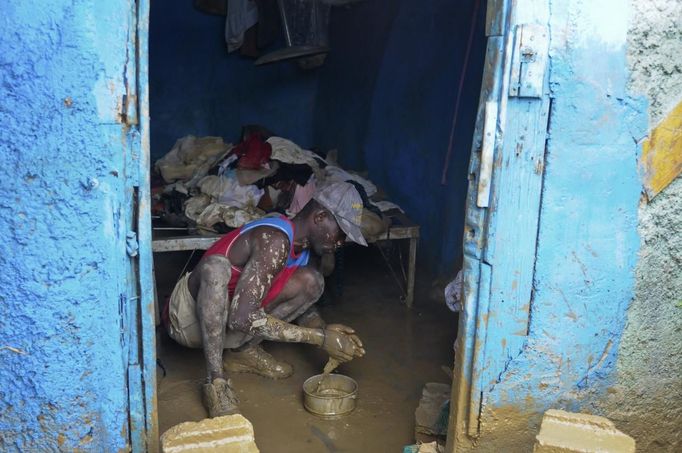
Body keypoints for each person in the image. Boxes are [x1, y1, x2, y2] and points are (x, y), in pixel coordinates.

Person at [163, 182, 368, 417]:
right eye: (340, 232)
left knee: (313, 281)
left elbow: (303, 309)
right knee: (216, 268)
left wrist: (325, 330)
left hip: (229, 324)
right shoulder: (274, 238)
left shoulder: (307, 251)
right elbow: (243, 318)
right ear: (320, 217)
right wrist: (319, 338)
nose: (341, 242)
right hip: (186, 320)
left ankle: (241, 353)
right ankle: (216, 382)